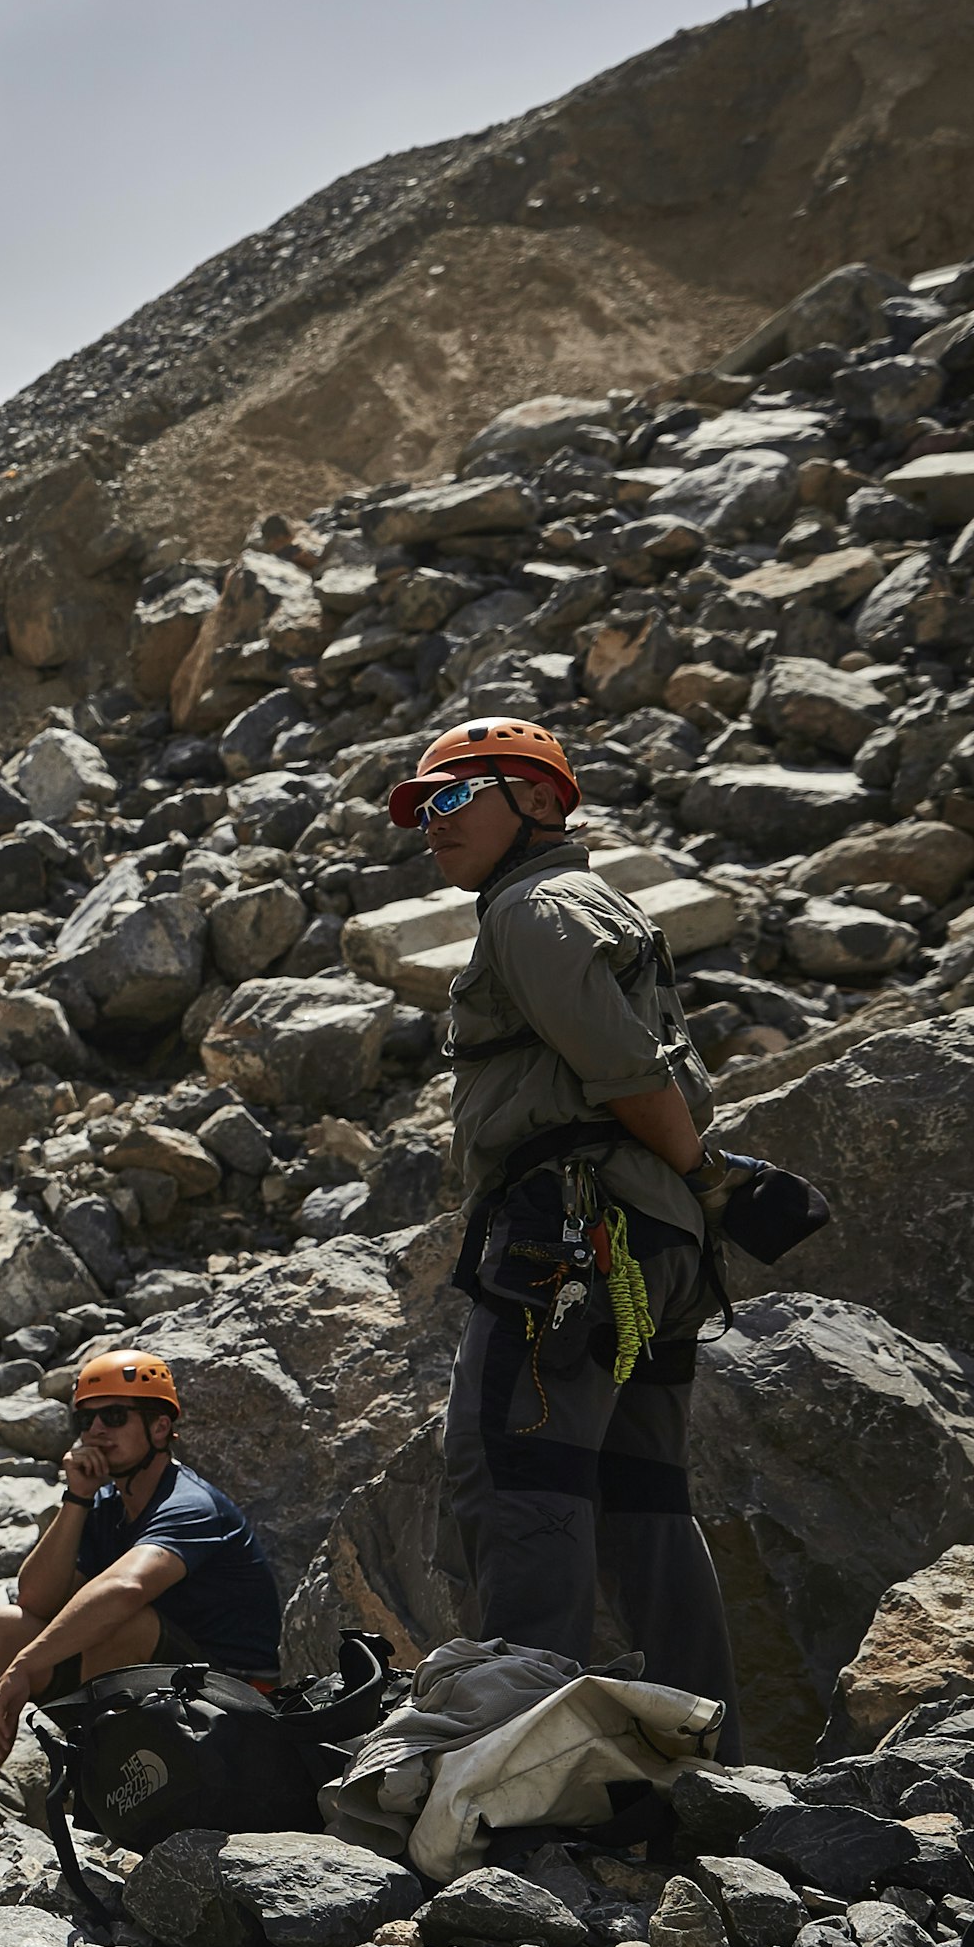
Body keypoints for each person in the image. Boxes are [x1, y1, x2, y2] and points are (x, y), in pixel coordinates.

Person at [398, 717, 741, 1754]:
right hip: (642, 1245)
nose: (431, 823)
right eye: (423, 807)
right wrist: (699, 1191)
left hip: (571, 1239)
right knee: (642, 1493)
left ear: (541, 801)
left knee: (512, 1465)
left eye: (456, 797)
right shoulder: (585, 902)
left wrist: (701, 1169)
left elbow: (622, 1065)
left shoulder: (532, 904)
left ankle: (519, 1755)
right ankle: (709, 1748)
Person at [0, 1349, 282, 1814]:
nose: (96, 1431)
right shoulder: (106, 1502)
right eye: (86, 1420)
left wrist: (24, 1667)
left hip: (232, 1702)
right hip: (155, 1682)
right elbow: (36, 1596)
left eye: (115, 1417)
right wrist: (76, 1498)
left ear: (160, 1428)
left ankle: (98, 1811)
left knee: (121, 1620)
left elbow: (124, 1590)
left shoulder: (191, 1505)